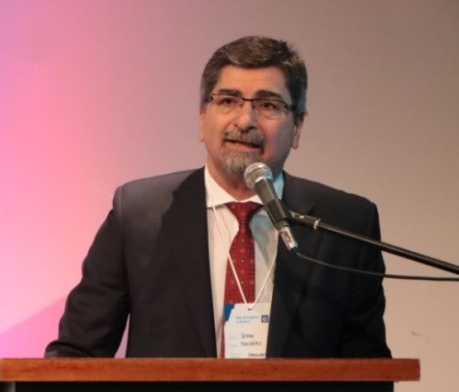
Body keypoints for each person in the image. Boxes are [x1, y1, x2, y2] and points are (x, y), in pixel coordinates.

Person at [45, 35, 390, 359]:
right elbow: (76, 354)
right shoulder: (138, 214)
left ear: (297, 126)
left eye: (268, 105)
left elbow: (368, 373)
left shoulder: (345, 224)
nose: (245, 120)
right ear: (201, 118)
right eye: (228, 101)